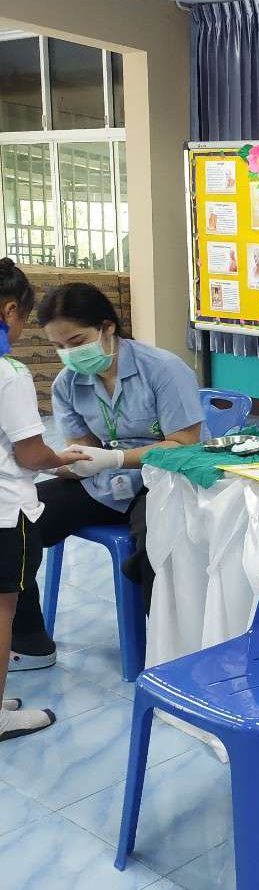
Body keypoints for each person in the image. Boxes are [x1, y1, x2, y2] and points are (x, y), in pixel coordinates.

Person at [8, 283, 205, 671]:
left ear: (107, 327)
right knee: (17, 521)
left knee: (155, 543)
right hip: (106, 486)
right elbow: (82, 450)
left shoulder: (162, 369)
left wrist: (116, 458)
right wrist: (48, 463)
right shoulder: (68, 384)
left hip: (165, 480)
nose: (69, 354)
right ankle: (29, 641)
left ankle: (169, 659)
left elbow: (185, 445)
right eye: (58, 347)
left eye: (76, 342)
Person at [0, 260, 89, 738]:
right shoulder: (9, 373)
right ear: (10, 310)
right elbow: (31, 453)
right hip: (4, 512)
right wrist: (63, 460)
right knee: (3, 609)